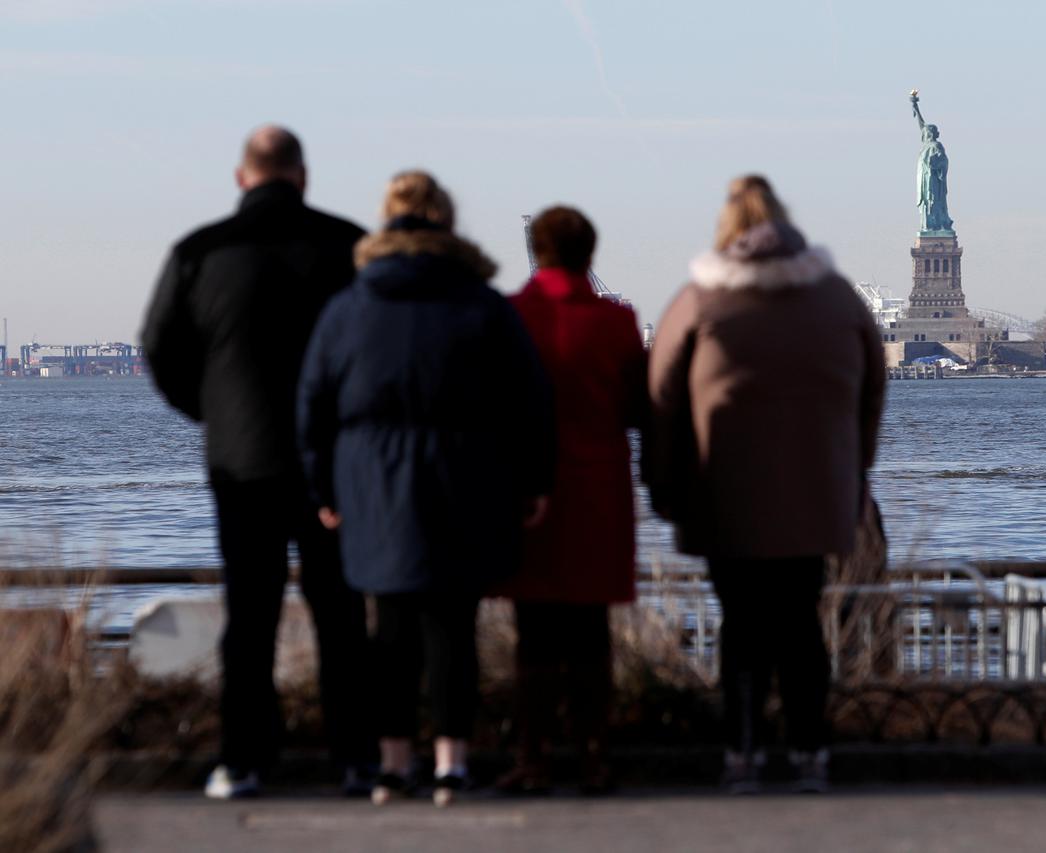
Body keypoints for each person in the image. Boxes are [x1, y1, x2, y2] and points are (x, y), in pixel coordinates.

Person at [296, 171, 555, 807]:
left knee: (390, 631)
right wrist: (534, 480)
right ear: (446, 220)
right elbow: (530, 400)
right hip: (466, 475)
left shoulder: (349, 306)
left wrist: (323, 486)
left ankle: (390, 764)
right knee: (453, 629)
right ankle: (451, 765)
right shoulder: (482, 303)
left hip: (373, 481)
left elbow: (314, 406)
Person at [141, 126, 377, 800]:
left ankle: (244, 758)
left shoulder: (198, 251)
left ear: (241, 177)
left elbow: (158, 347)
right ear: (302, 176)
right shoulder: (350, 246)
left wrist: (211, 411)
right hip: (330, 462)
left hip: (240, 462)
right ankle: (356, 757)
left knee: (250, 614)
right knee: (340, 614)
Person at [646, 175, 886, 794]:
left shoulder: (700, 299)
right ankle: (810, 751)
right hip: (814, 492)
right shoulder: (834, 296)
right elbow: (872, 386)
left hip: (724, 492)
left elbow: (661, 398)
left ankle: (741, 753)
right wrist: (855, 468)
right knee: (802, 624)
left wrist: (662, 482)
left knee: (741, 625)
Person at [496, 207, 647, 795]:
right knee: (590, 633)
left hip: (526, 493)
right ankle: (593, 756)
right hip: (598, 489)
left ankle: (533, 756)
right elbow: (638, 407)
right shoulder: (617, 321)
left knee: (533, 636)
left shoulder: (511, 317)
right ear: (591, 253)